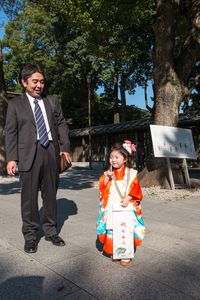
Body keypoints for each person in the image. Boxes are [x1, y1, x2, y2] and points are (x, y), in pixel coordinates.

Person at [5, 64, 71, 253]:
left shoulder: (51, 101)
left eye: (42, 81)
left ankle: (51, 231)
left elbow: (61, 124)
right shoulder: (15, 104)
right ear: (24, 82)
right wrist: (11, 158)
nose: (39, 85)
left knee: (50, 194)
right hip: (27, 154)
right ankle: (30, 235)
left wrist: (65, 148)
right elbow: (11, 132)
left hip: (50, 151)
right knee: (29, 198)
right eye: (34, 81)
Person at [97, 140, 145, 266]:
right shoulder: (108, 173)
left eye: (117, 157)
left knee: (125, 229)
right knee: (112, 228)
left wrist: (129, 197)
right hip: (112, 206)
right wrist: (106, 177)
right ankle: (115, 251)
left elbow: (136, 189)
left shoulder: (131, 173)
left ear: (125, 159)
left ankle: (126, 254)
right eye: (111, 157)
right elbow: (102, 188)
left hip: (126, 206)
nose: (113, 160)